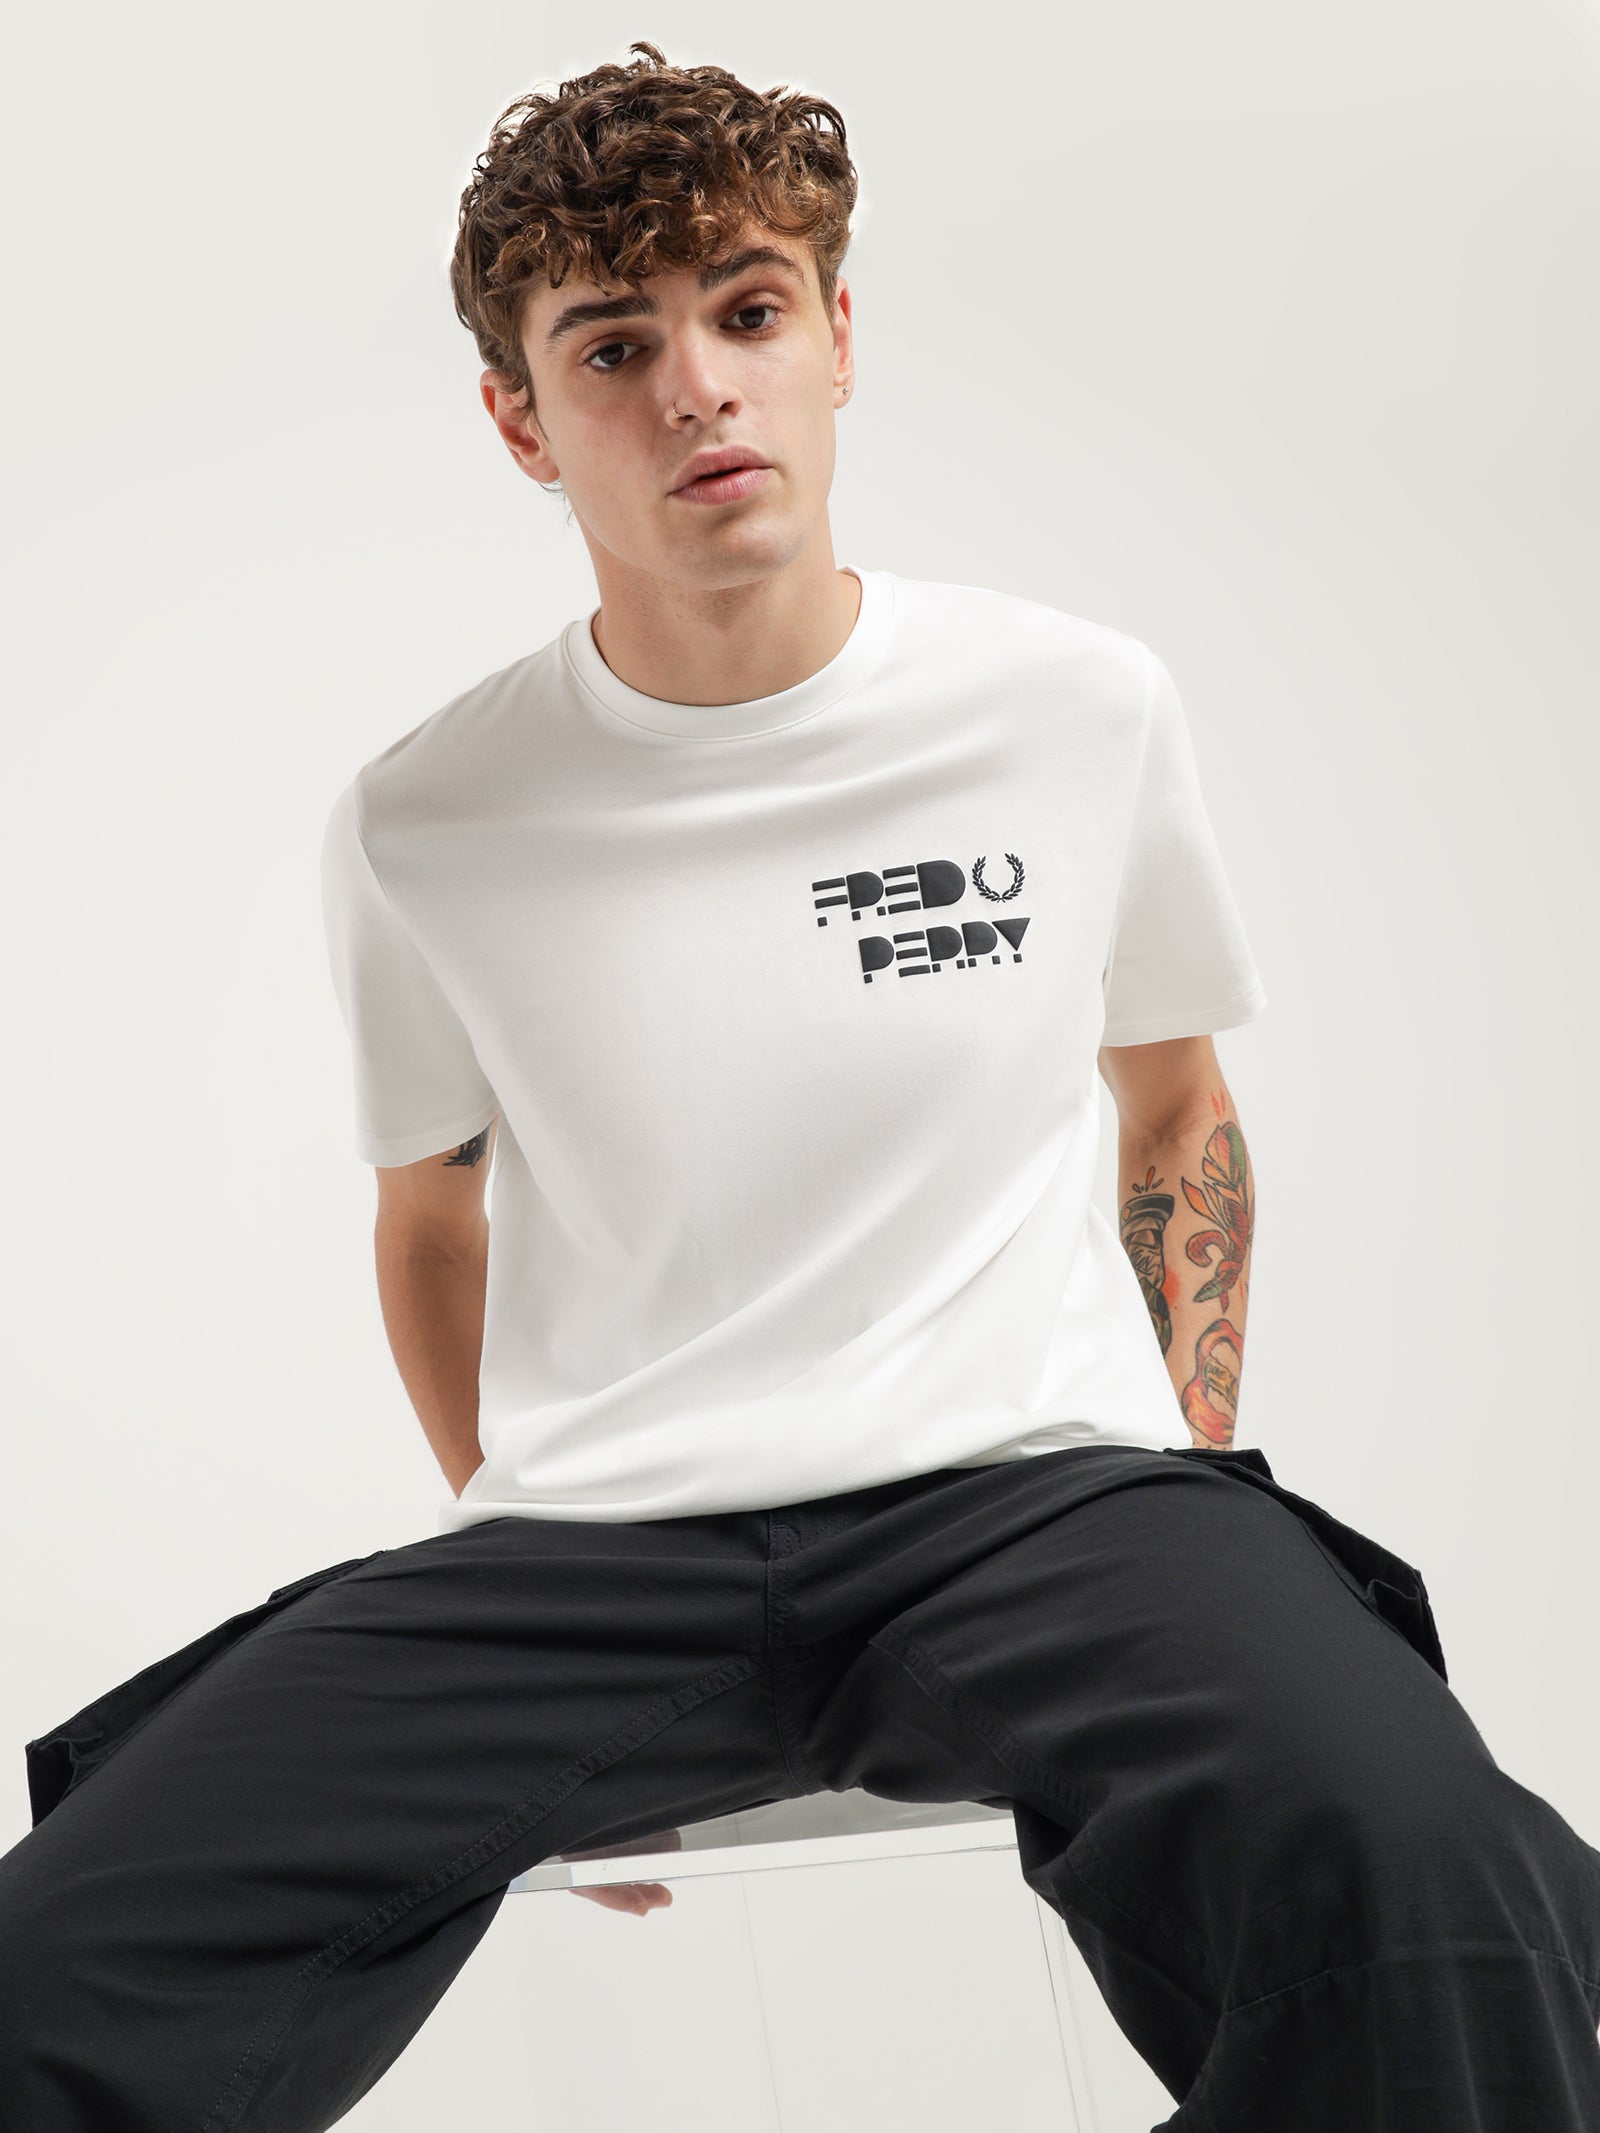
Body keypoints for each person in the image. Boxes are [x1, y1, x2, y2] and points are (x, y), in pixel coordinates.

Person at [3, 39, 1598, 2132]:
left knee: (1430, 1875)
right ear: (520, 420)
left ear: (838, 337)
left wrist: (1184, 1497)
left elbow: (1177, 1113)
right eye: (612, 346)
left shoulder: (1070, 706)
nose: (697, 390)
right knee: (63, 1955)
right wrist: (528, 1609)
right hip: (605, 1544)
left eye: (747, 312)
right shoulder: (425, 816)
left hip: (1033, 1495)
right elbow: (429, 1217)